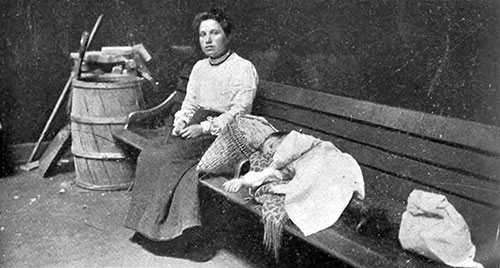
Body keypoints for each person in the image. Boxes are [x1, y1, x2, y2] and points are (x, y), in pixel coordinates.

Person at [125, 8, 258, 261]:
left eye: (214, 33)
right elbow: (190, 102)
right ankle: (152, 231)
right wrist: (181, 121)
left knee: (171, 160)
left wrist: (203, 127)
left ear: (227, 36)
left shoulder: (242, 68)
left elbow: (240, 112)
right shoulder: (199, 67)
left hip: (225, 135)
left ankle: (176, 235)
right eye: (202, 34)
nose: (207, 40)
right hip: (196, 127)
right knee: (151, 154)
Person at [223, 130, 365, 236]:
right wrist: (243, 180)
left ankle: (359, 210)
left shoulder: (296, 140)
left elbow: (277, 162)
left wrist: (271, 166)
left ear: (284, 137)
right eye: (267, 153)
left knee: (322, 187)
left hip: (331, 161)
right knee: (323, 195)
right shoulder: (289, 163)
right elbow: (273, 174)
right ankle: (360, 214)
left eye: (271, 145)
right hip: (320, 174)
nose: (270, 152)